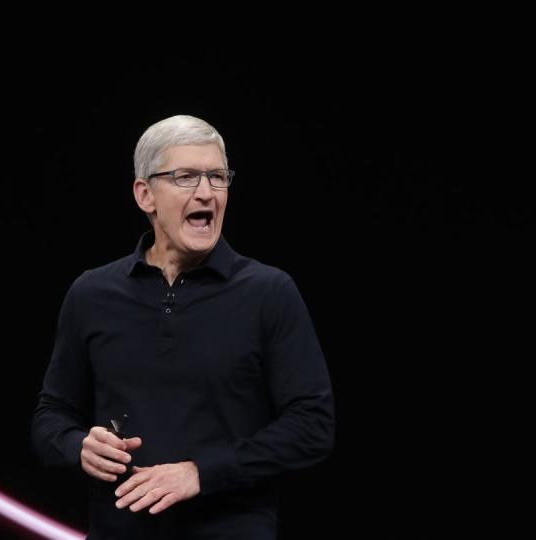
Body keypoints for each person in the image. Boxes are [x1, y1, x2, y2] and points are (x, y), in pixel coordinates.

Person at [31, 115, 335, 539]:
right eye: (186, 177)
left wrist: (201, 473)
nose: (206, 193)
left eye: (217, 177)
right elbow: (51, 416)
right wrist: (76, 446)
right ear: (145, 195)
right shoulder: (92, 293)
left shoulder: (269, 292)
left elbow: (312, 426)